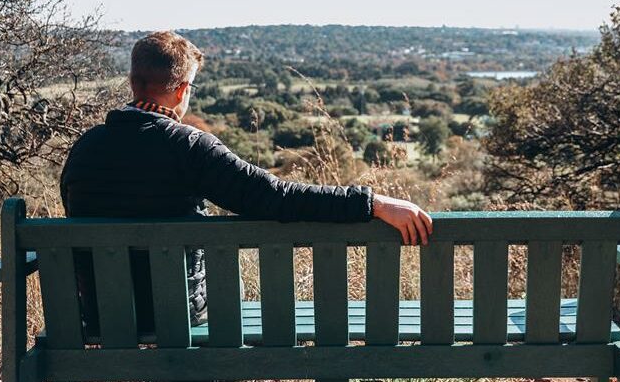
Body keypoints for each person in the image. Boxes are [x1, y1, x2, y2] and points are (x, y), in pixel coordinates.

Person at [60, 30, 433, 335]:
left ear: (132, 82)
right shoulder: (189, 147)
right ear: (182, 89)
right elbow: (276, 196)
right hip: (178, 316)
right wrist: (374, 203)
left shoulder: (84, 149)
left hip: (103, 316)